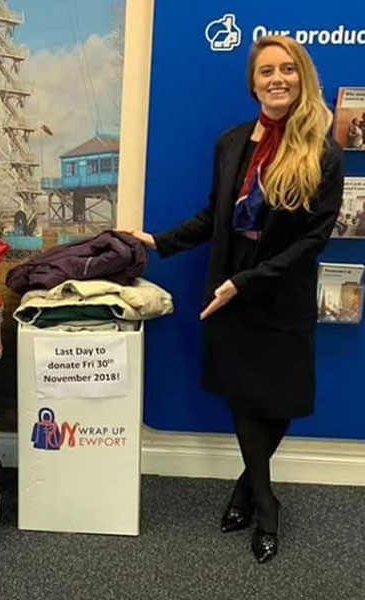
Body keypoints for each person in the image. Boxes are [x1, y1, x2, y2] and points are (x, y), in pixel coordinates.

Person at [126, 36, 344, 563]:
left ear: (303, 77)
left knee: (284, 400)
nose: (277, 78)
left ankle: (248, 486)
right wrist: (163, 240)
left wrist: (248, 281)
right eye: (266, 70)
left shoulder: (323, 150)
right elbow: (215, 215)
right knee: (246, 399)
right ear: (252, 82)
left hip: (278, 288)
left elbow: (312, 238)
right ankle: (266, 503)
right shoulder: (231, 144)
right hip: (227, 288)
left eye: (287, 69)